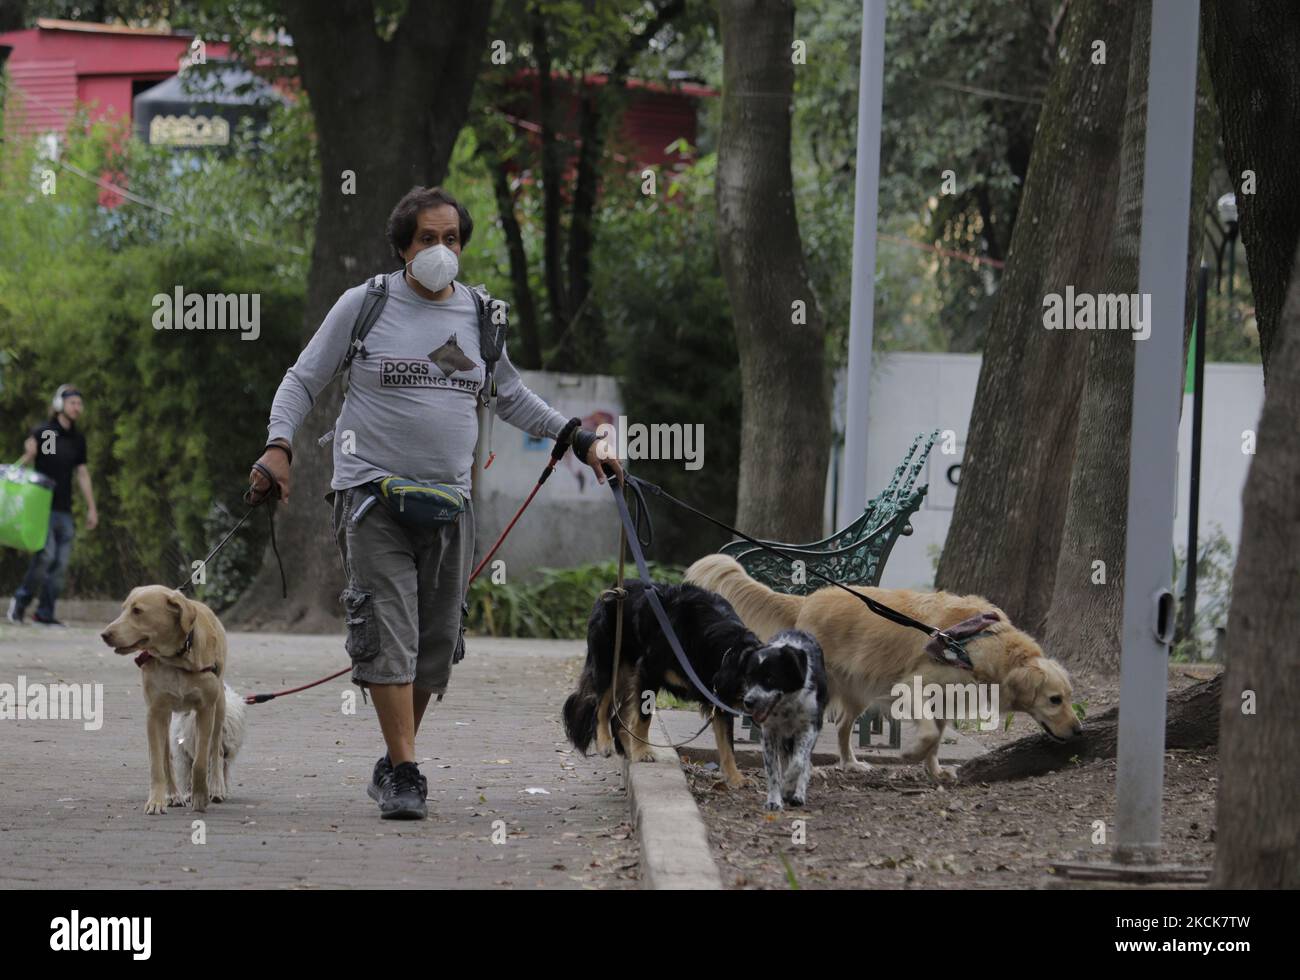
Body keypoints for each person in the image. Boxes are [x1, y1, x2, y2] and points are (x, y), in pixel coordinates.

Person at [248, 186, 622, 820]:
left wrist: (579, 439)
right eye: (428, 238)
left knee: (435, 641)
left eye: (452, 239)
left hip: (450, 502)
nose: (442, 250)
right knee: (388, 627)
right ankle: (406, 772)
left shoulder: (481, 316)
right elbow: (303, 377)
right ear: (402, 246)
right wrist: (277, 446)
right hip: (371, 495)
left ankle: (396, 758)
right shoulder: (364, 305)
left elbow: (509, 395)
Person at [8, 384, 98, 626]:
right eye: (72, 403)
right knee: (45, 557)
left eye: (80, 403)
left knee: (60, 564)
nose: (77, 408)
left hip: (65, 510)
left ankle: (44, 614)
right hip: (43, 508)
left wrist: (92, 508)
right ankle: (20, 602)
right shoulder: (48, 433)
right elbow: (42, 461)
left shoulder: (78, 440)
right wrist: (30, 454)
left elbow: (82, 473)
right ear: (60, 405)